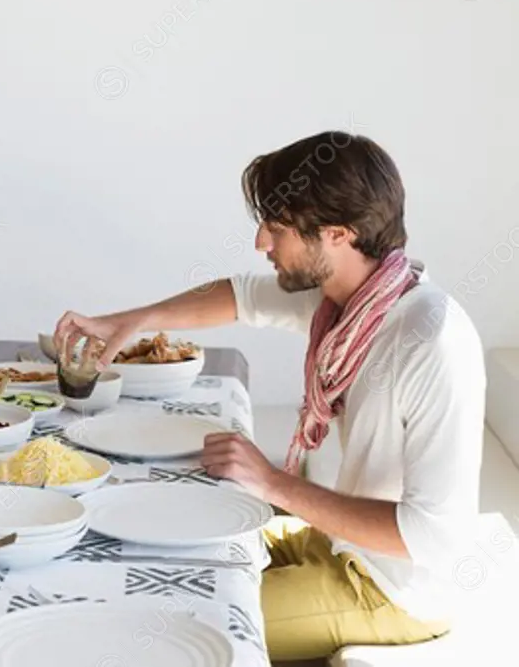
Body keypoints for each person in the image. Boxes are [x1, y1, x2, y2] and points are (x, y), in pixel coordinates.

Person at [54, 131, 484, 661]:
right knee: (139, 558)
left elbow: (433, 536)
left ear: (339, 235)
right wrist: (127, 322)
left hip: (389, 590)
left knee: (167, 630)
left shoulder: (431, 338)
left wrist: (272, 482)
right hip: (331, 545)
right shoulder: (346, 303)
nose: (261, 243)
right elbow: (240, 295)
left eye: (277, 228)